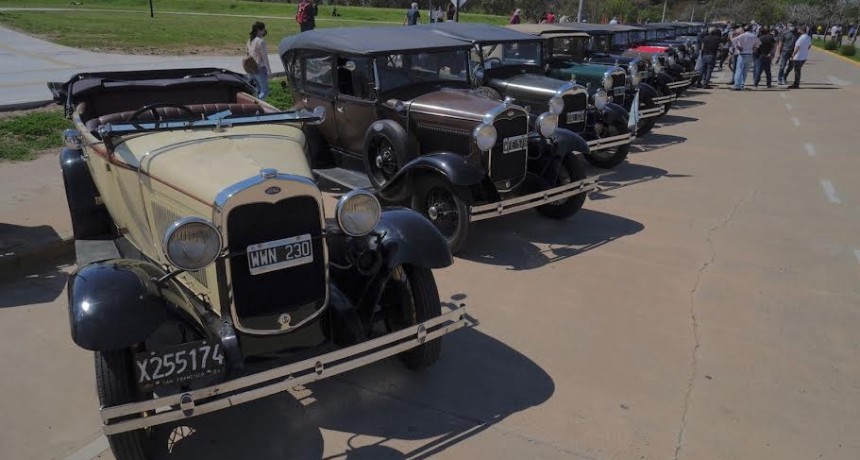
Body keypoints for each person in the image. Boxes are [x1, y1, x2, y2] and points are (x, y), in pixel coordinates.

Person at [246, 22, 270, 100]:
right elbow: (265, 57)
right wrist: (269, 71)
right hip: (260, 69)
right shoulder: (261, 42)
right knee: (265, 91)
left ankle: (257, 109)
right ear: (258, 30)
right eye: (263, 29)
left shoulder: (249, 40)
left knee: (258, 91)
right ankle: (257, 104)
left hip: (251, 69)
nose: (264, 31)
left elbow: (247, 54)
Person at [731, 25, 760, 90]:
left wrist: (738, 47)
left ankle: (737, 85)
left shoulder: (742, 35)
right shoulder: (753, 36)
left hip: (742, 54)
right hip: (749, 54)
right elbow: (758, 44)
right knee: (745, 71)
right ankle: (742, 84)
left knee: (739, 70)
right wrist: (753, 49)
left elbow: (733, 41)